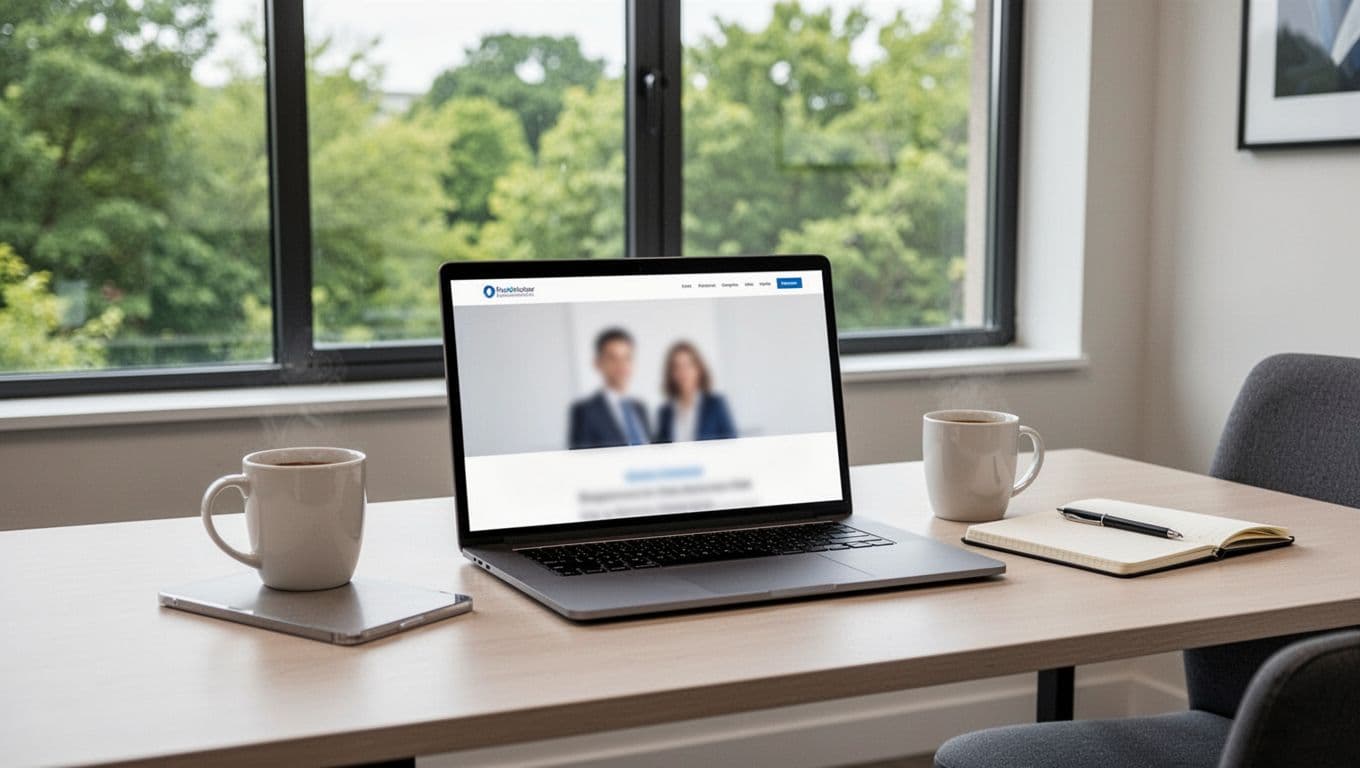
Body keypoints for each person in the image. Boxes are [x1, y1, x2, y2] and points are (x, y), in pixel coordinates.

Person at [568, 328, 652, 449]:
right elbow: (581, 462)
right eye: (613, 358)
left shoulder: (640, 408)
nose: (621, 365)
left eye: (627, 358)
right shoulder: (584, 412)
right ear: (598, 363)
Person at [655, 341, 737, 443]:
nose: (683, 372)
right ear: (671, 374)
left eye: (688, 365)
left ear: (699, 369)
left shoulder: (716, 404)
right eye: (677, 367)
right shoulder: (665, 412)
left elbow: (732, 444)